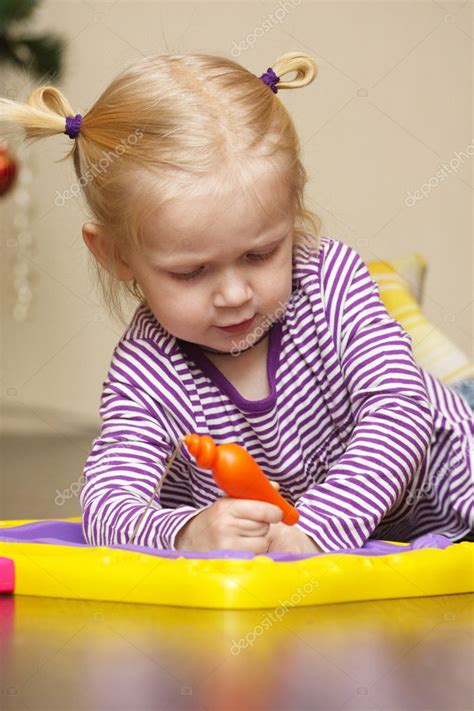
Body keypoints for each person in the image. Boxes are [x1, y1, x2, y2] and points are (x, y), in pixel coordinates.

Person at [1, 52, 472, 554]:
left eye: (260, 254)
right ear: (115, 254)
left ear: (292, 213)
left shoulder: (330, 280)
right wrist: (186, 532)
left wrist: (315, 529)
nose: (234, 295)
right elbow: (109, 507)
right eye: (191, 271)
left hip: (451, 492)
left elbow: (399, 411)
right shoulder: (146, 373)